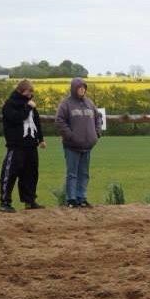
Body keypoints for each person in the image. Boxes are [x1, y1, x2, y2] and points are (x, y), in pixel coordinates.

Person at [0, 79, 46, 212]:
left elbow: (36, 122)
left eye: (32, 92)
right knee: (10, 173)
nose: (30, 94)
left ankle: (30, 201)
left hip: (31, 145)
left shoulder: (31, 104)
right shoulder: (10, 104)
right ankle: (5, 202)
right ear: (21, 90)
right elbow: (16, 118)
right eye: (28, 91)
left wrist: (41, 139)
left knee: (31, 174)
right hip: (16, 145)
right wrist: (28, 107)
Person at [55, 77, 103, 208]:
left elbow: (98, 118)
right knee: (72, 173)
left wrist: (97, 133)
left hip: (87, 145)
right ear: (74, 88)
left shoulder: (90, 103)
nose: (82, 90)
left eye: (84, 88)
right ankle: (71, 199)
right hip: (72, 146)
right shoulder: (66, 104)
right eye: (79, 87)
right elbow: (60, 121)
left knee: (84, 173)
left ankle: (81, 197)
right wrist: (70, 136)